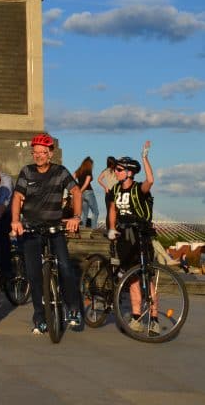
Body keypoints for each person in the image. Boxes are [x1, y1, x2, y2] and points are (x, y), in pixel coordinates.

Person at [11, 132, 83, 334]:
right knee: (33, 275)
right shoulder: (27, 172)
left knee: (66, 268)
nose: (39, 156)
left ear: (51, 153)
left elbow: (76, 191)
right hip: (31, 229)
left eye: (43, 152)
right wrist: (16, 221)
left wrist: (76, 217)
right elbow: (17, 197)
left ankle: (73, 309)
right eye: (36, 152)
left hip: (55, 228)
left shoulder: (60, 172)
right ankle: (40, 317)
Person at [107, 141, 157, 334]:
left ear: (129, 172)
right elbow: (112, 208)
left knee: (147, 277)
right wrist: (112, 228)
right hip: (124, 235)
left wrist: (144, 157)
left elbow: (150, 180)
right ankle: (136, 317)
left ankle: (153, 319)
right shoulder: (116, 190)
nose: (116, 172)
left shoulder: (138, 189)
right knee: (133, 278)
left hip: (141, 235)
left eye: (119, 170)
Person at [74, 156, 99, 229]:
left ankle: (82, 229)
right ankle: (93, 229)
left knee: (84, 213)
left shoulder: (78, 171)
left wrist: (78, 190)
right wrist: (81, 190)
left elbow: (72, 178)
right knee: (95, 212)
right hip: (88, 192)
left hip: (81, 194)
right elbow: (87, 182)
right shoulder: (88, 171)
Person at [97, 155, 118, 228]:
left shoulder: (106, 171)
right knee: (114, 211)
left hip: (109, 192)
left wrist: (105, 187)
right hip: (114, 192)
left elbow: (99, 179)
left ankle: (110, 229)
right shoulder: (116, 170)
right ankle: (113, 228)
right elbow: (99, 179)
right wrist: (105, 187)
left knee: (109, 211)